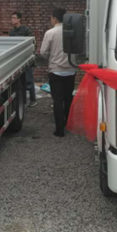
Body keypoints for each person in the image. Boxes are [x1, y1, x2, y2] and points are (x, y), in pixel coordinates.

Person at [40, 8, 76, 137]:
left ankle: (59, 130)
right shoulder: (73, 31)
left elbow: (43, 52)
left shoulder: (50, 33)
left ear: (55, 18)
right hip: (71, 70)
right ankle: (69, 124)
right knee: (68, 98)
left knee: (58, 100)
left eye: (51, 18)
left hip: (55, 71)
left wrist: (50, 58)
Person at [10, 11, 38, 108]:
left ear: (19, 19)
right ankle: (24, 101)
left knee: (29, 80)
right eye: (11, 18)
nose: (12, 20)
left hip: (26, 59)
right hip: (17, 60)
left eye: (14, 18)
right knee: (21, 82)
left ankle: (33, 100)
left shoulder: (26, 30)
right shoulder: (12, 32)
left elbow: (33, 43)